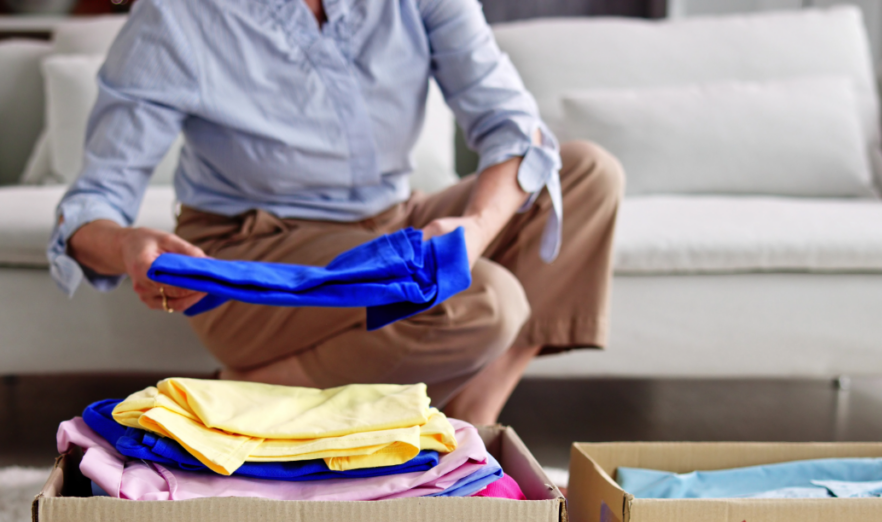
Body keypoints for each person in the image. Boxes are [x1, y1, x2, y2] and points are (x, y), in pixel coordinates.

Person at [49, 0, 624, 424]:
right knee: (485, 302)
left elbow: (514, 126)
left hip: (393, 223)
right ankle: (250, 394)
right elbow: (92, 204)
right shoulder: (177, 16)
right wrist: (127, 247)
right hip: (255, 254)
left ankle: (477, 414)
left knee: (584, 175)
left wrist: (473, 232)